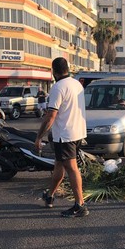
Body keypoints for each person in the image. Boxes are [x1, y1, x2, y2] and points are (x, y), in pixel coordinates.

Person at [35, 57, 89, 218]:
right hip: (77, 132)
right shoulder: (76, 84)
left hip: (65, 135)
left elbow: (51, 115)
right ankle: (50, 196)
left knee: (71, 168)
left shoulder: (58, 87)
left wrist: (39, 137)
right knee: (59, 165)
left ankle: (80, 205)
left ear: (54, 71)